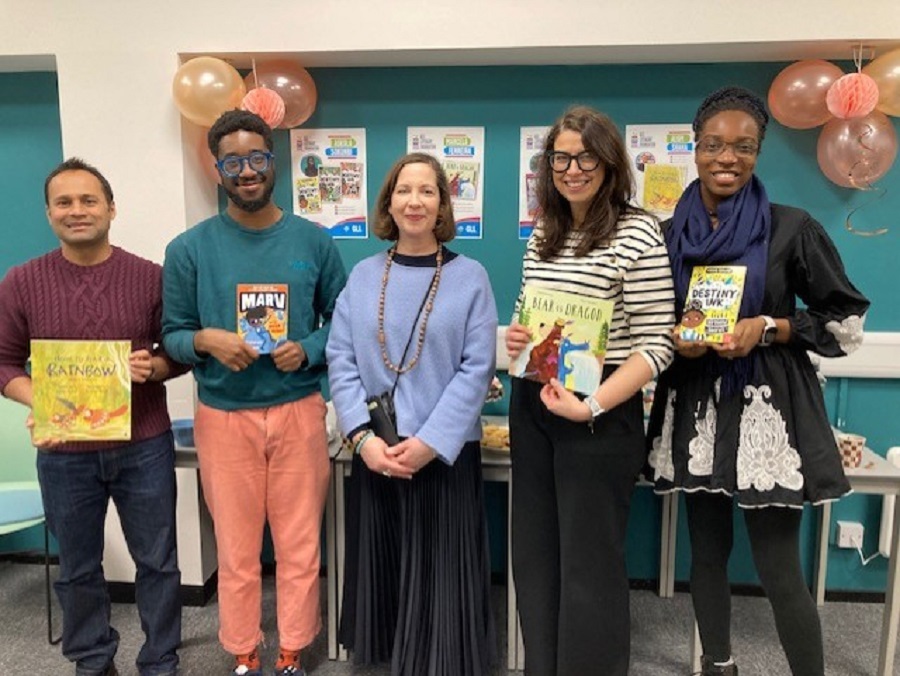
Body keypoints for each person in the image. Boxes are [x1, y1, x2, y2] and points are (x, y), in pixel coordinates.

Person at [646, 86, 871, 676]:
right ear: (694, 149)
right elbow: (650, 318)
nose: (727, 157)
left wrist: (770, 327)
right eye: (714, 144)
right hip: (697, 404)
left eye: (743, 147)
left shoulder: (791, 227)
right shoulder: (667, 235)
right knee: (707, 556)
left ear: (758, 152)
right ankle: (718, 665)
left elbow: (845, 322)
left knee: (778, 567)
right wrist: (677, 338)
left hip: (768, 411)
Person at [161, 110, 347, 676]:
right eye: (233, 162)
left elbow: (344, 321)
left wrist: (308, 348)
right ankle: (243, 650)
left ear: (274, 161)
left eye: (257, 158)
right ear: (217, 169)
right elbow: (173, 334)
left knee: (299, 545)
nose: (247, 171)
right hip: (223, 416)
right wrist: (207, 340)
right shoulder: (189, 248)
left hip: (298, 409)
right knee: (237, 549)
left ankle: (292, 649)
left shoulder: (314, 241)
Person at [505, 106, 676, 676]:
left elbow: (658, 343)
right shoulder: (544, 231)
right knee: (535, 556)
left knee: (590, 564)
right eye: (561, 158)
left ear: (609, 163)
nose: (572, 169)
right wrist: (516, 336)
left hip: (600, 413)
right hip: (535, 402)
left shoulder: (638, 231)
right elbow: (527, 316)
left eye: (585, 158)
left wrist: (593, 406)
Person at [0, 157, 186, 676]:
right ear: (49, 213)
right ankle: (93, 660)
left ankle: (160, 659)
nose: (77, 210)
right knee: (77, 568)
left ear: (111, 209)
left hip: (143, 444)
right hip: (64, 453)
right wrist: (39, 399)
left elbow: (178, 352)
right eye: (64, 202)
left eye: (88, 200)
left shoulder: (151, 277)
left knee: (158, 563)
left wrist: (155, 367)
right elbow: (4, 361)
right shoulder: (21, 281)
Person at [326, 152, 499, 676]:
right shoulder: (363, 276)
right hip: (378, 452)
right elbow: (341, 358)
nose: (415, 201)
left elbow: (477, 368)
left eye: (427, 191)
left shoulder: (470, 278)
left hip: (444, 456)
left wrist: (430, 442)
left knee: (442, 580)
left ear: (443, 204)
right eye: (404, 190)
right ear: (389, 202)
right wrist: (362, 439)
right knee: (386, 571)